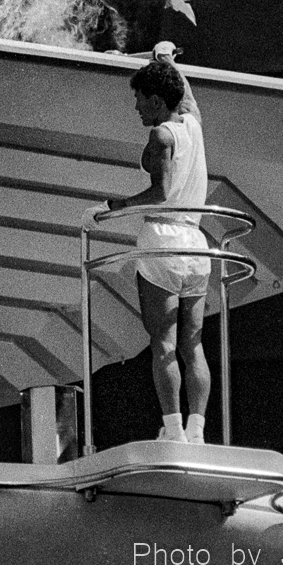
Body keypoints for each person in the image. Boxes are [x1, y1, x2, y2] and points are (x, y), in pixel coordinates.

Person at [103, 42, 212, 445]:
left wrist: (114, 206)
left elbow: (160, 193)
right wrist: (166, 62)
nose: (136, 108)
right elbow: (187, 97)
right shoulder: (193, 125)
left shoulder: (161, 134)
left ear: (153, 99)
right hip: (197, 246)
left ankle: (173, 431)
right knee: (192, 344)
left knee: (163, 343)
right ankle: (197, 433)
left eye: (138, 99)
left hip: (164, 240)